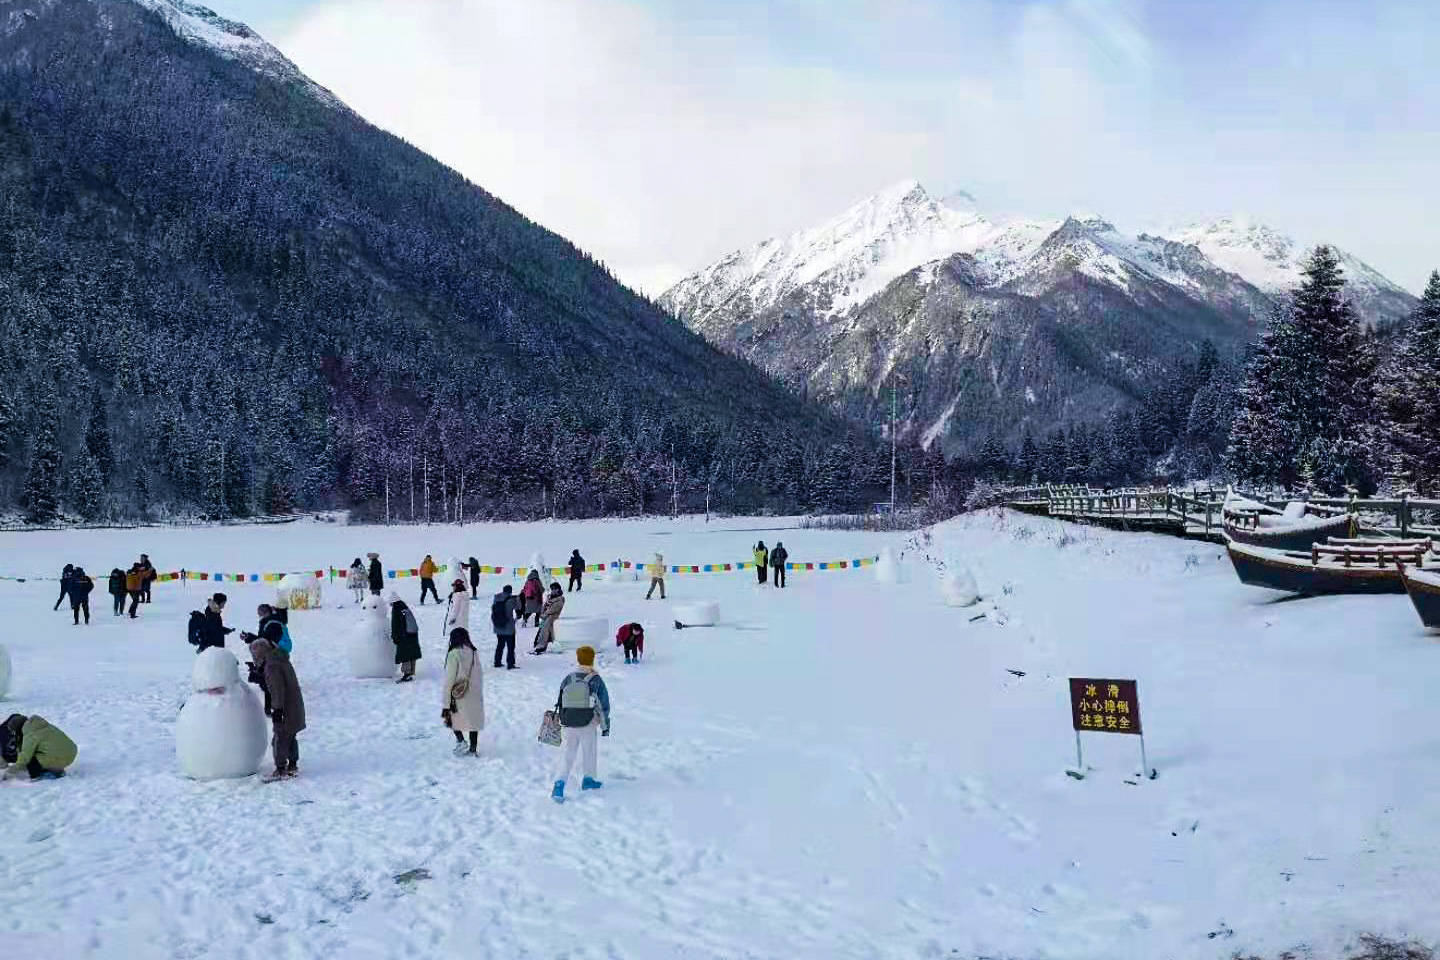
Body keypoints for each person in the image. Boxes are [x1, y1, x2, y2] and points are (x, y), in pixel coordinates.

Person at [550, 645, 611, 803]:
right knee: (589, 751)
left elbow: (560, 701)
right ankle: (588, 779)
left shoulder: (568, 678)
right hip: (588, 723)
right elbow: (603, 705)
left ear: (578, 659)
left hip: (569, 723)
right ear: (592, 659)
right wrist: (605, 727)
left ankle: (559, 784)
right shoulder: (595, 679)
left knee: (567, 754)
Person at [252, 623, 305, 781]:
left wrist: (277, 710)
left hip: (285, 707)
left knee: (280, 737)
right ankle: (293, 764)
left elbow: (277, 689)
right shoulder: (279, 658)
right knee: (290, 736)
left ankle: (281, 768)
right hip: (295, 705)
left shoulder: (272, 666)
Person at [442, 627, 485, 755]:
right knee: (473, 721)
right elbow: (479, 673)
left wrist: (446, 701)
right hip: (474, 692)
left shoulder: (454, 653)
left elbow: (450, 678)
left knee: (450, 718)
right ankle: (473, 749)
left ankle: (461, 741)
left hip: (459, 692)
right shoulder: (473, 652)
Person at [1, 713, 78, 781]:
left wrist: (10, 771)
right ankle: (56, 768)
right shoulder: (39, 725)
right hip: (71, 752)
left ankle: (49, 774)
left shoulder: (30, 733)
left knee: (31, 762)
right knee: (39, 754)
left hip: (62, 756)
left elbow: (25, 756)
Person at [390, 592, 422, 682]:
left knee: (405, 654)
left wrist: (395, 637)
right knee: (412, 653)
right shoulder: (404, 606)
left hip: (404, 635)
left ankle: (406, 674)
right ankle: (411, 671)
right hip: (412, 634)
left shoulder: (396, 609)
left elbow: (395, 625)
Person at [532, 582, 566, 654]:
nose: (553, 590)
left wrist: (544, 614)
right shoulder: (550, 597)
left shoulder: (560, 599)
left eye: (554, 589)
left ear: (558, 589)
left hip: (552, 616)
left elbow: (553, 609)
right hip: (546, 616)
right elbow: (544, 606)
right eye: (552, 589)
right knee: (541, 629)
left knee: (545, 630)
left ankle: (542, 645)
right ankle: (537, 643)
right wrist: (542, 613)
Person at [490, 584, 518, 669]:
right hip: (508, 626)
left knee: (500, 645)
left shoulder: (496, 598)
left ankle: (497, 662)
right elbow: (518, 607)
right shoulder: (512, 599)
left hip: (498, 626)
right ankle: (510, 663)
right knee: (510, 646)